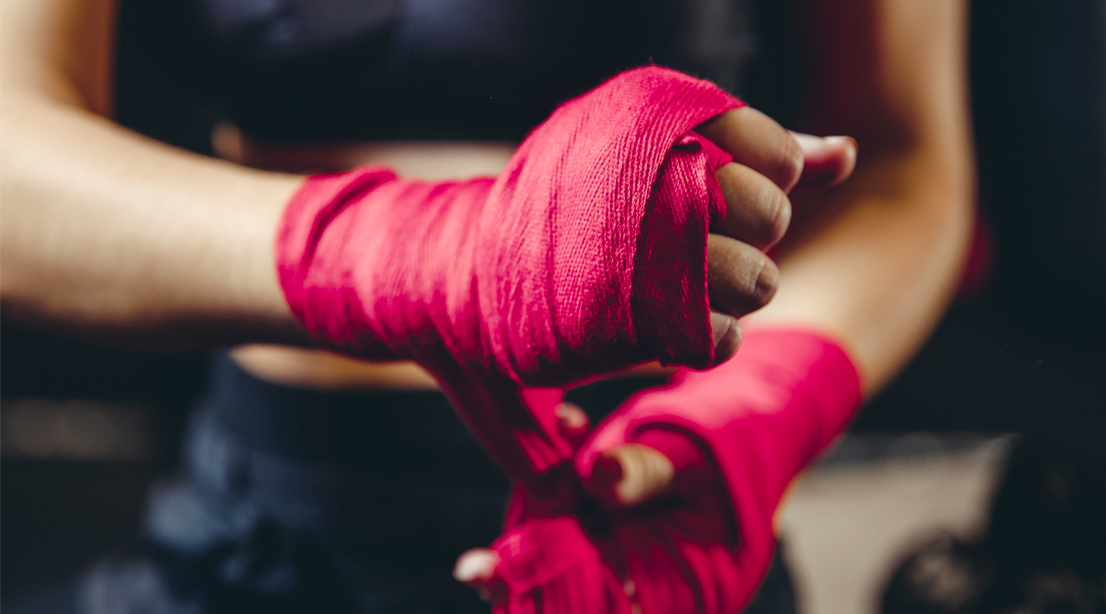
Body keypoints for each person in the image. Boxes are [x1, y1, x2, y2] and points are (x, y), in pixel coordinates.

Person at [0, 0, 975, 612]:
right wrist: (433, 256)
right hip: (262, 516)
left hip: (649, 525)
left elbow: (900, 158)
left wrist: (756, 408)